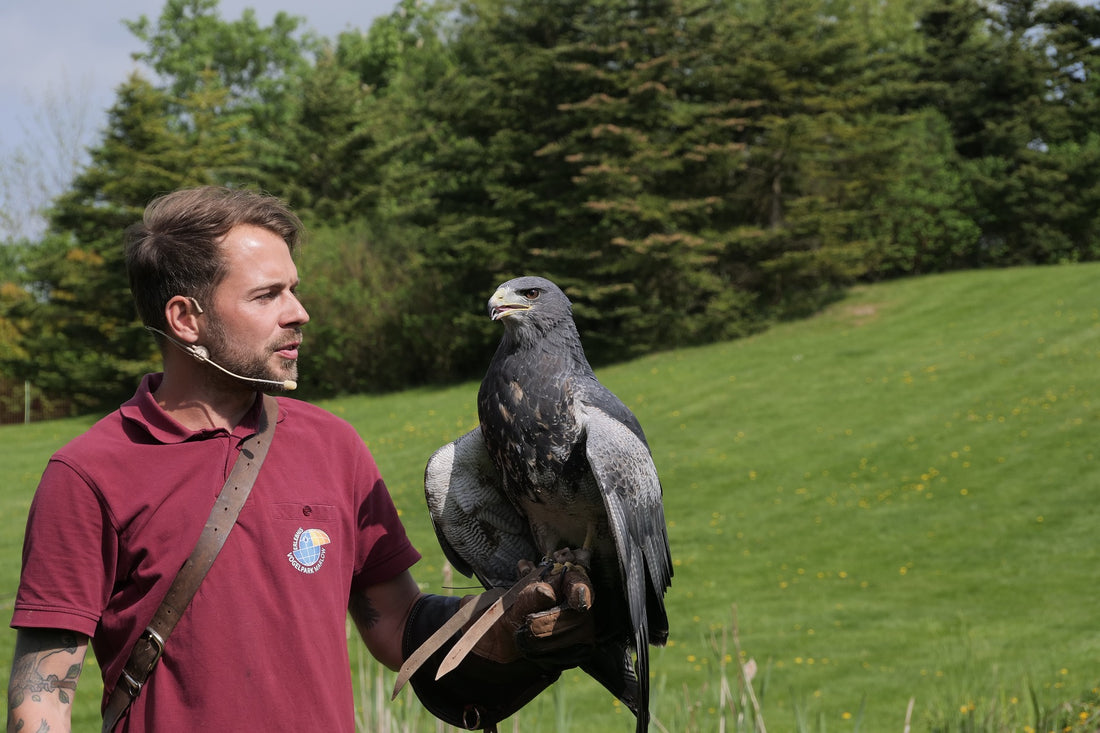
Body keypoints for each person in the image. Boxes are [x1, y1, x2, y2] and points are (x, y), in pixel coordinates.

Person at [6, 186, 591, 732]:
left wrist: (508, 624)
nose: (299, 312)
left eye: (292, 288)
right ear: (186, 319)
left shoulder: (332, 445)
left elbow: (394, 623)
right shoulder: (89, 474)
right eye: (267, 295)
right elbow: (42, 697)